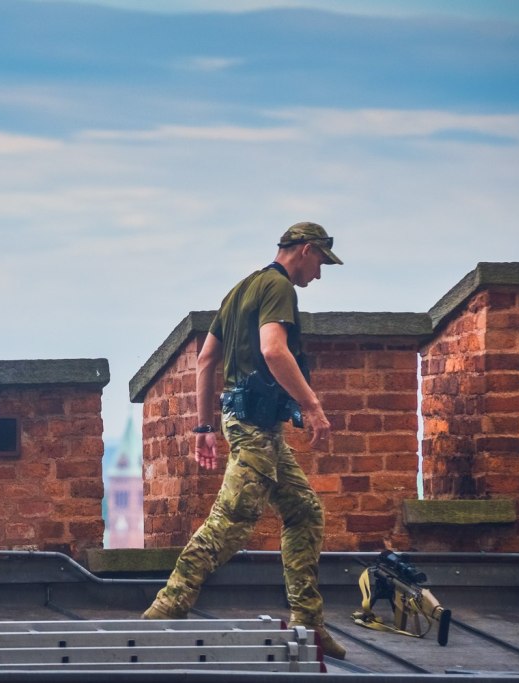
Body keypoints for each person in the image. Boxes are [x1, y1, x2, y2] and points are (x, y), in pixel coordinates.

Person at [141, 222, 347, 660]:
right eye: (320, 262)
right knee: (231, 522)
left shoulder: (240, 290)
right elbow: (274, 349)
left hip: (253, 425)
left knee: (305, 512)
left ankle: (308, 623)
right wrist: (311, 405)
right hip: (254, 426)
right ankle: (163, 613)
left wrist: (204, 428)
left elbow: (205, 360)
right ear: (306, 249)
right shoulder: (278, 287)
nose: (319, 273)